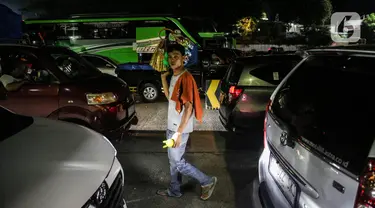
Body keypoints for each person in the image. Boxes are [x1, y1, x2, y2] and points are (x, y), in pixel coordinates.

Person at [157, 44, 217, 200]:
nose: (172, 59)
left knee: (177, 163)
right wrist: (163, 78)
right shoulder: (175, 76)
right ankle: (174, 190)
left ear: (184, 58)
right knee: (173, 162)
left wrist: (177, 133)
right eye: (170, 56)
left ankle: (207, 181)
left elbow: (189, 108)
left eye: (176, 56)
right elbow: (170, 97)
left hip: (179, 130)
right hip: (172, 127)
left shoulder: (186, 78)